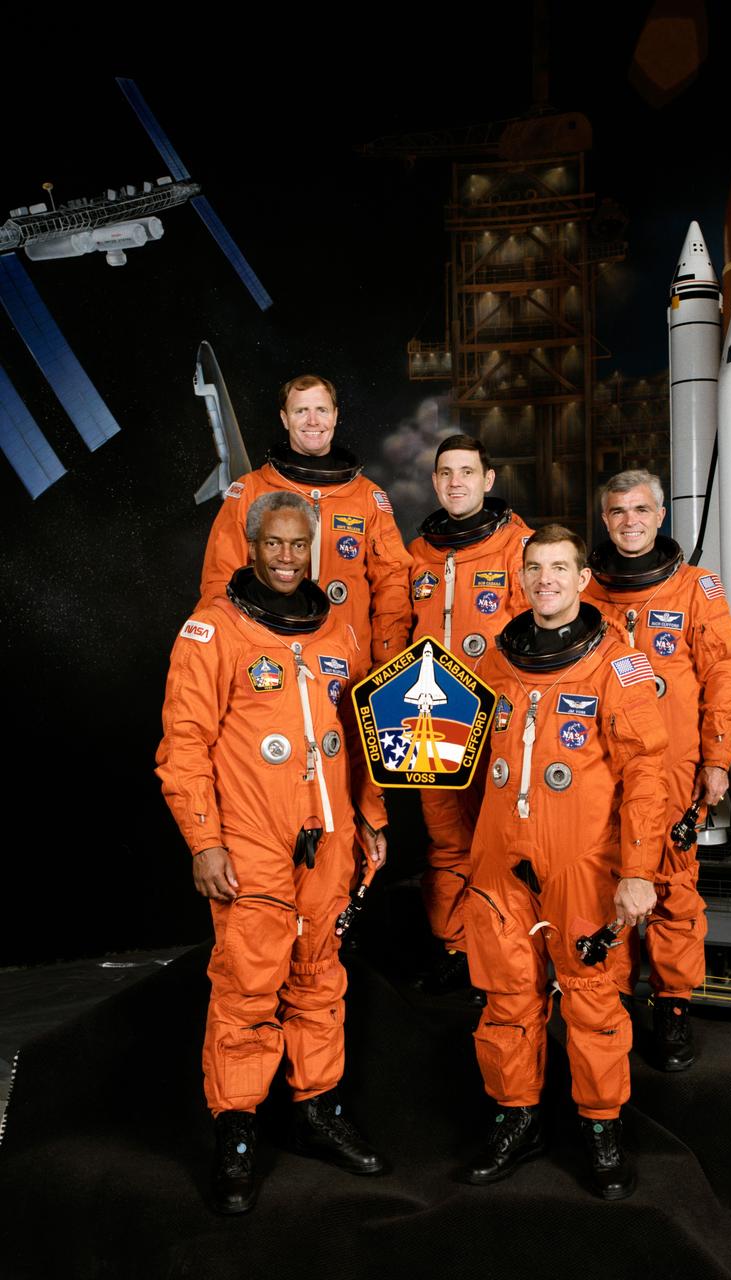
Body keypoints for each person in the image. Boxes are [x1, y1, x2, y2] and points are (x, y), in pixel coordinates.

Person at [157, 491, 389, 1215]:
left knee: (319, 976)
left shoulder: (337, 631)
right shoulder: (213, 629)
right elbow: (183, 747)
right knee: (248, 985)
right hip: (252, 839)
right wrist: (204, 841)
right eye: (275, 544)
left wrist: (371, 817)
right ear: (252, 548)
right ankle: (237, 1129)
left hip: (330, 837)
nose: (287, 558)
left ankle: (316, 1108)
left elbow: (361, 732)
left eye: (298, 545)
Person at [462, 525, 668, 1200]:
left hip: (582, 859)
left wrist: (637, 870)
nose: (544, 579)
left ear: (582, 580)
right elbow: (458, 754)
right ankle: (516, 1117)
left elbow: (646, 773)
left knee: (592, 995)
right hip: (501, 857)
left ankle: (602, 1129)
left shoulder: (618, 664)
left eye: (558, 568)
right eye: (534, 568)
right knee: (505, 995)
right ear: (520, 578)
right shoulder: (496, 660)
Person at [585, 470, 731, 1072]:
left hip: (674, 767)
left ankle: (673, 1003)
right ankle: (611, 999)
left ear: (660, 515)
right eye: (618, 511)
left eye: (640, 509)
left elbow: (723, 675)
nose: (630, 521)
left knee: (672, 886)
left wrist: (718, 757)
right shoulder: (585, 592)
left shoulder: (695, 589)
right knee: (604, 880)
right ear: (605, 520)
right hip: (601, 764)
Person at [406, 434, 532, 991]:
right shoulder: (417, 554)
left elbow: (537, 639)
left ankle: (505, 955)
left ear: (488, 479)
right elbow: (396, 630)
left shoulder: (518, 548)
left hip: (498, 720)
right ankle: (455, 947)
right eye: (446, 473)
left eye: (467, 472)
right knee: (447, 842)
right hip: (431, 717)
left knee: (501, 842)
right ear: (435, 482)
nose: (456, 482)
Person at [200, 374, 412, 673]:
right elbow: (220, 582)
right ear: (285, 419)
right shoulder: (250, 491)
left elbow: (392, 586)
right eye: (301, 411)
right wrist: (224, 659)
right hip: (267, 666)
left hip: (350, 667)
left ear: (335, 416)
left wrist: (388, 665)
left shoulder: (367, 497)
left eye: (321, 410)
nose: (313, 421)